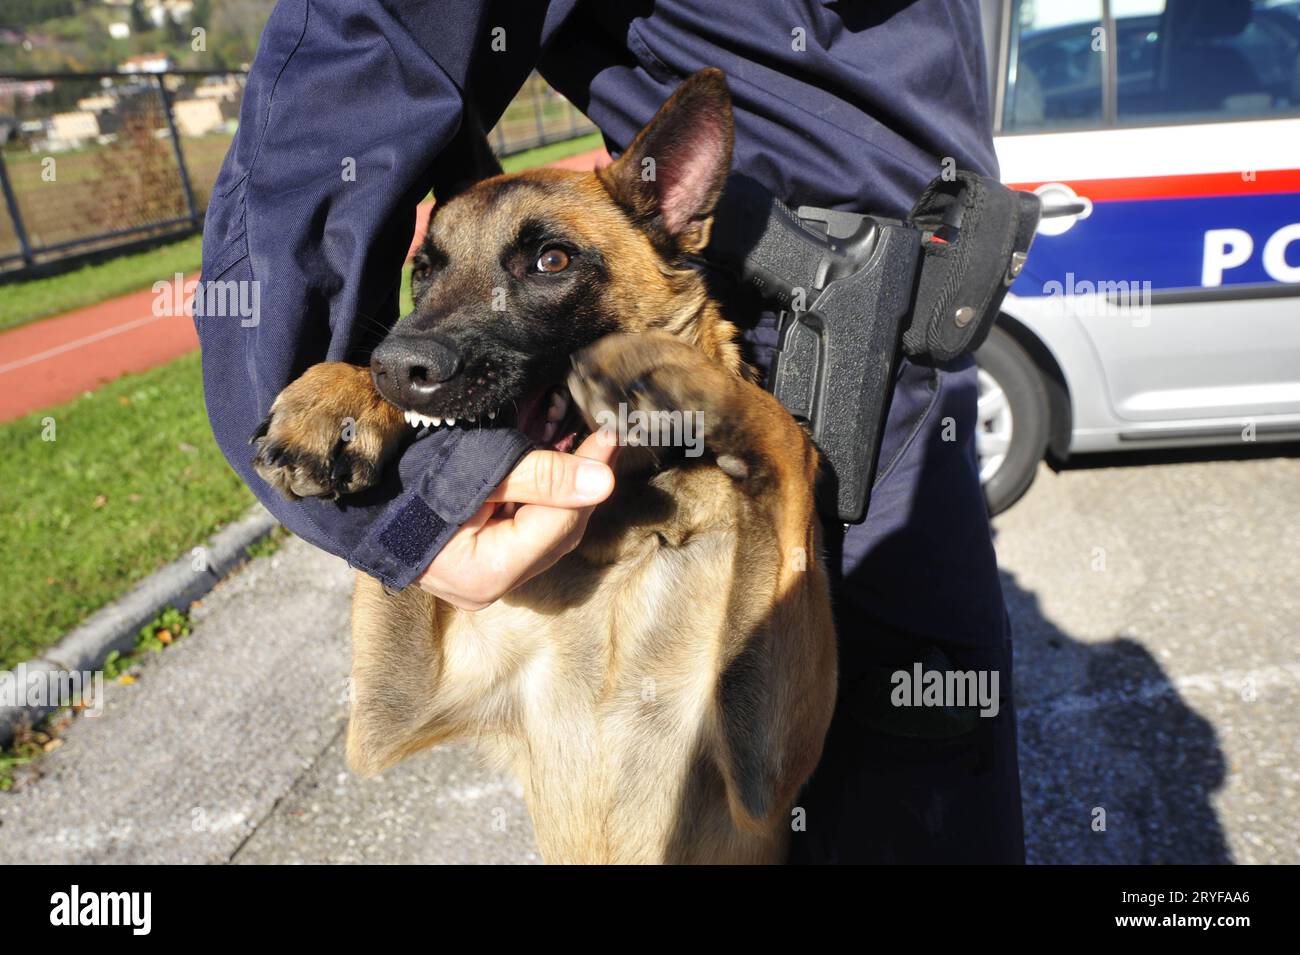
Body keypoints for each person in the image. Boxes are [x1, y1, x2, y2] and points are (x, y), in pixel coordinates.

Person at [197, 0, 1024, 863]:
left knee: (931, 783)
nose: (431, 321)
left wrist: (750, 435)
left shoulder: (713, 469)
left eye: (550, 261)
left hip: (899, 393)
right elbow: (386, 720)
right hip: (799, 349)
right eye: (431, 270)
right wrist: (389, 466)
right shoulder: (535, 522)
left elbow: (762, 770)